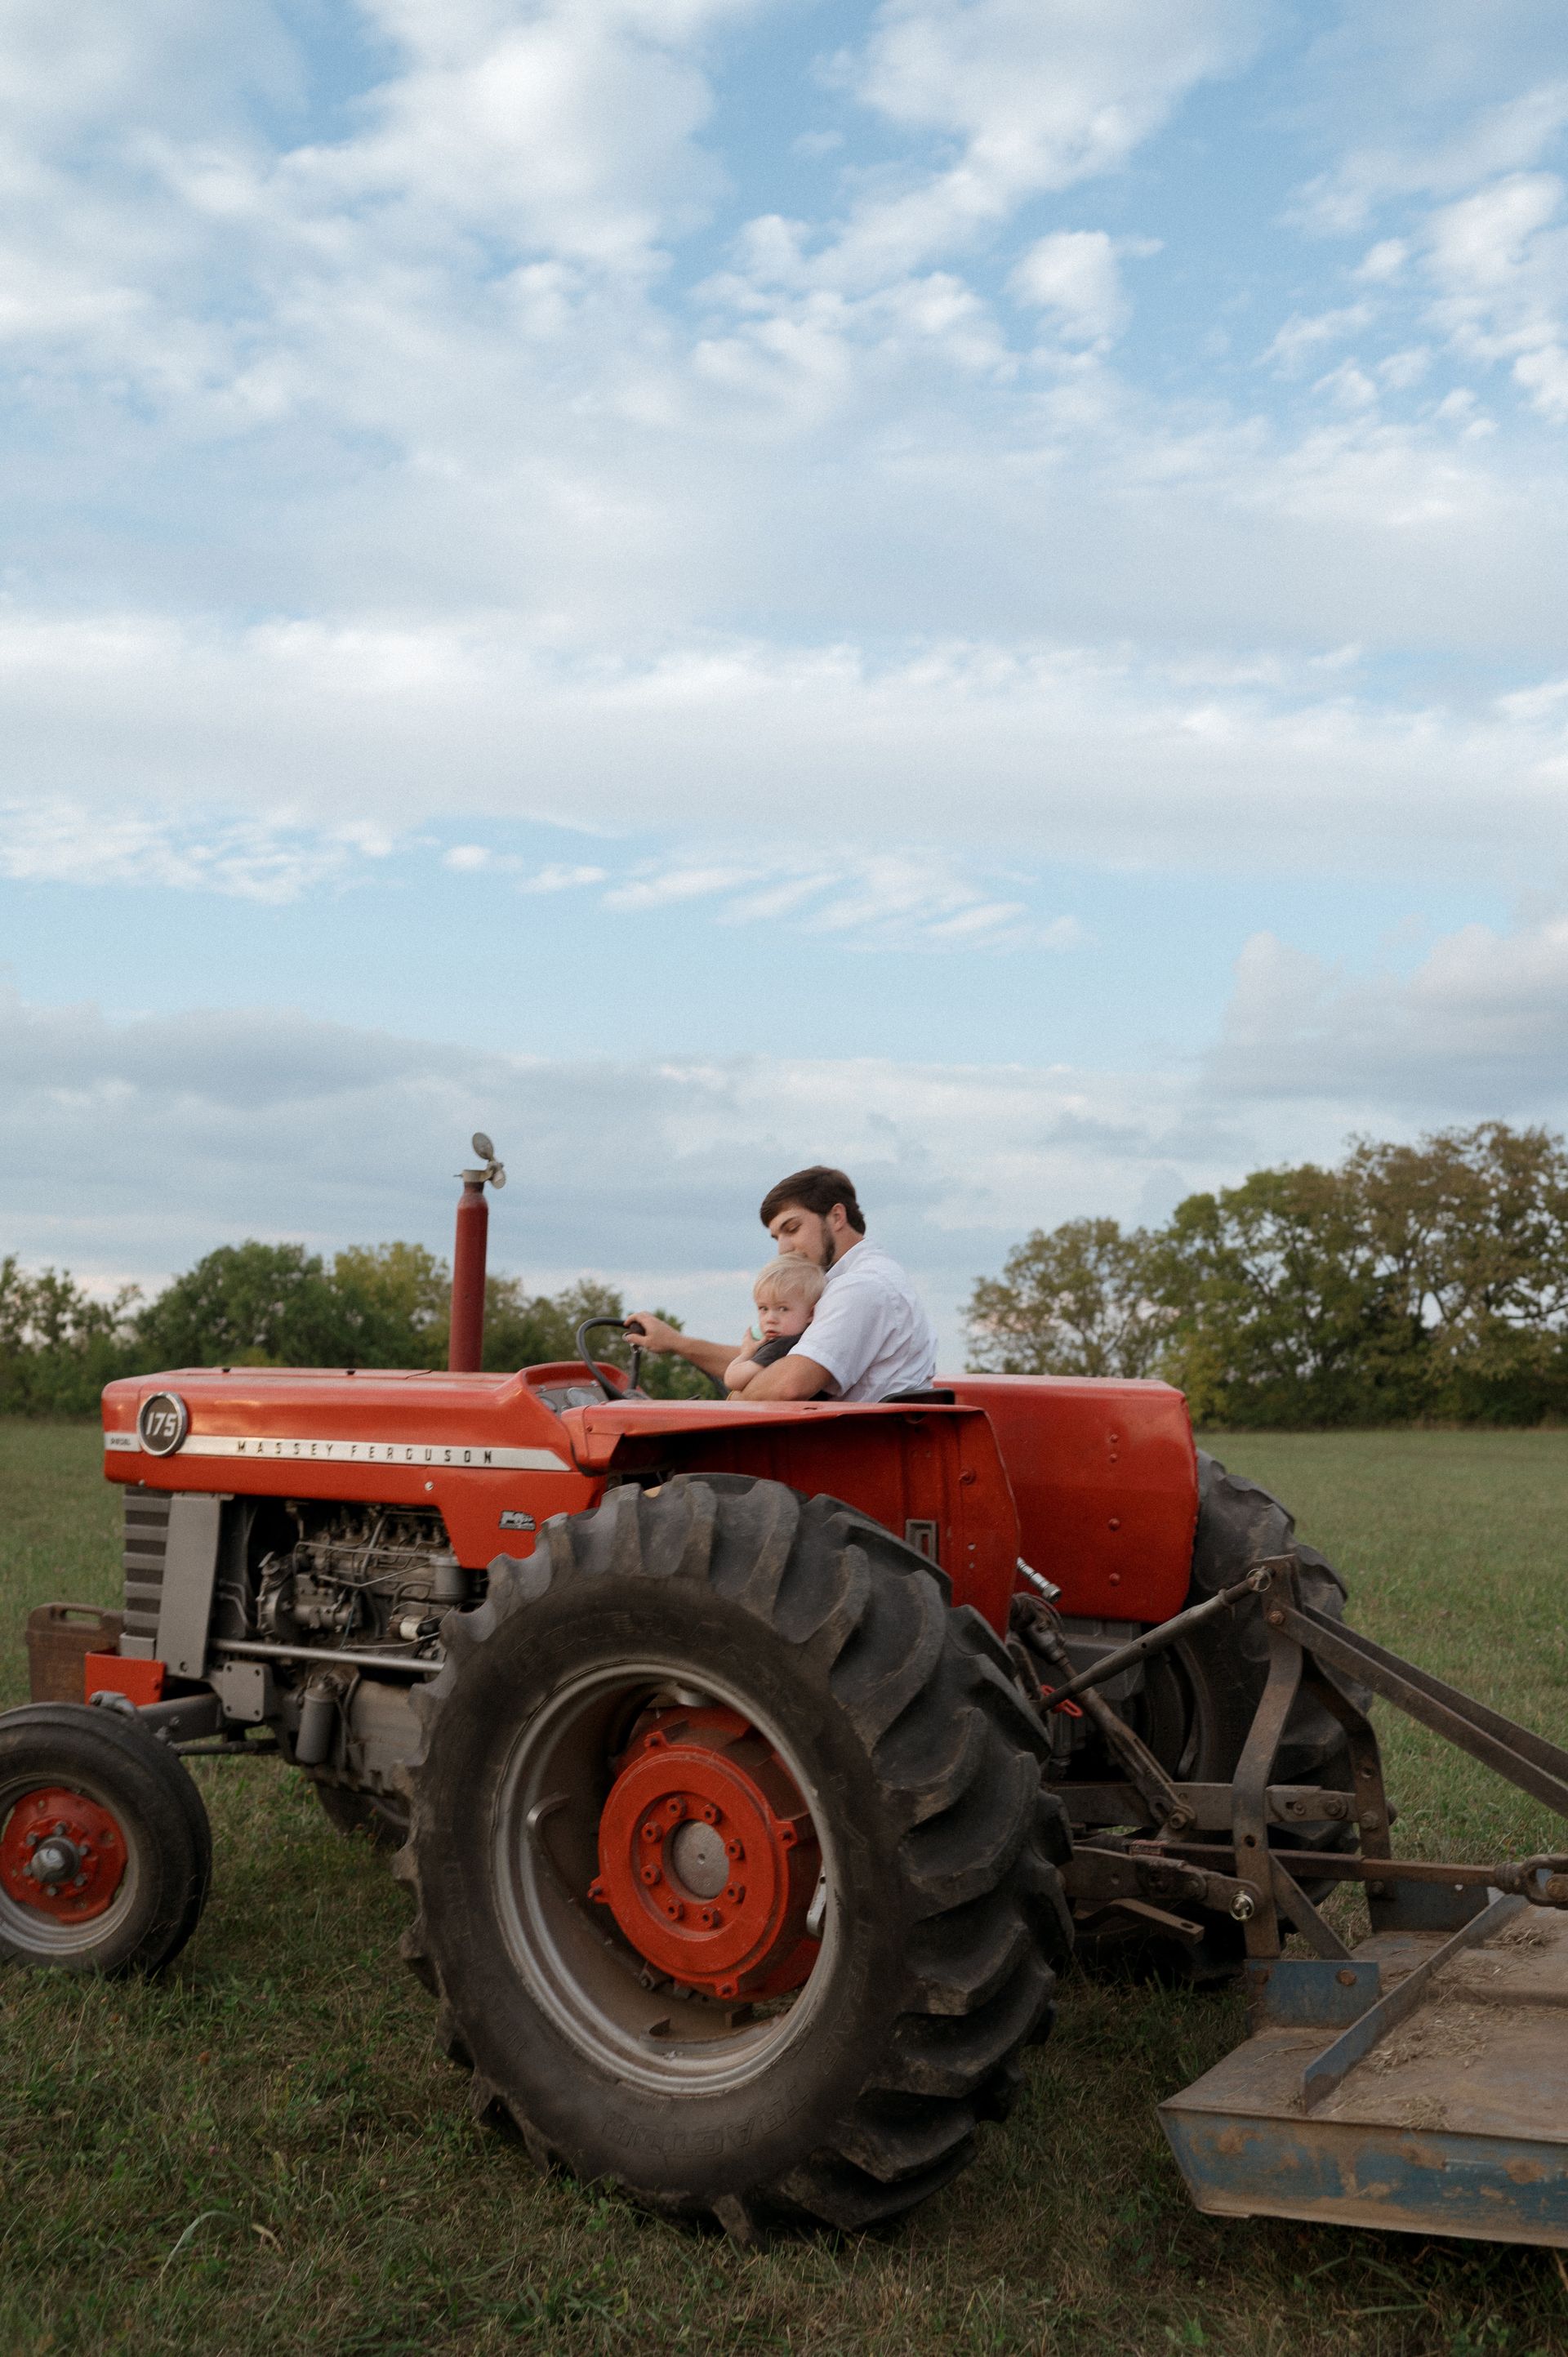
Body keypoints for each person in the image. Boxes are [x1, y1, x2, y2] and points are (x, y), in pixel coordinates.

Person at [630, 1165, 938, 1404]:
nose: (784, 1248)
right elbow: (771, 1361)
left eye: (793, 1228)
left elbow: (787, 1384)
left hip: (853, 1453)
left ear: (836, 1217)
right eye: (778, 1237)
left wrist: (735, 1400)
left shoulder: (860, 1287)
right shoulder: (849, 1281)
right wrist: (676, 1343)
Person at [724, 1256, 826, 1394]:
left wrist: (747, 1352)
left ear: (810, 1313)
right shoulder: (810, 1341)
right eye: (763, 1309)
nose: (770, 1319)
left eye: (783, 1309)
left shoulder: (780, 1346)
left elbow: (733, 1380)